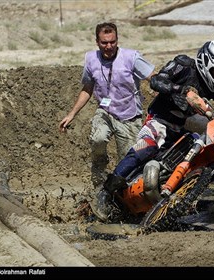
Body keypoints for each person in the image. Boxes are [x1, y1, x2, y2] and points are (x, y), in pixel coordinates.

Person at [92, 38, 214, 222]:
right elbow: (156, 81)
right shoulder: (183, 65)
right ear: (206, 63)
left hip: (179, 129)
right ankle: (105, 192)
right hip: (158, 122)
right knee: (146, 147)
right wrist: (183, 91)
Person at [58, 22, 155, 203]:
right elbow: (87, 88)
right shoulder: (91, 60)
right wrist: (71, 114)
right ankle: (99, 171)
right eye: (104, 43)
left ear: (117, 40)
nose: (109, 47)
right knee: (98, 138)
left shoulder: (131, 57)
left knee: (129, 162)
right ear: (97, 42)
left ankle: (123, 200)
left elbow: (153, 78)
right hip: (105, 112)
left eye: (112, 42)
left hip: (129, 116)